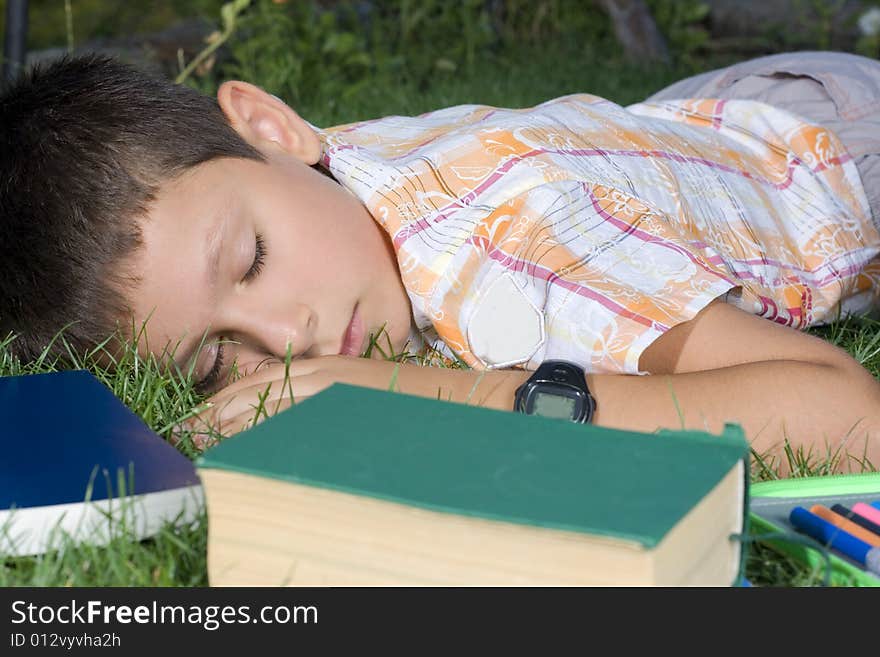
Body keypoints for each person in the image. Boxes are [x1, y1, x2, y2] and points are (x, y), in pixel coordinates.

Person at [2, 51, 879, 474]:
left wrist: (442, 395)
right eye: (212, 357)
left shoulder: (511, 248)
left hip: (837, 150)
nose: (285, 335)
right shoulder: (295, 183)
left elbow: (845, 414)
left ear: (271, 127)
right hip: (685, 125)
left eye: (254, 258)